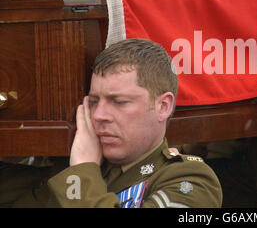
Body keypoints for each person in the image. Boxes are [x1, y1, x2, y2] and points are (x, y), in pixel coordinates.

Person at [10, 38, 222, 208]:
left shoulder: (191, 180)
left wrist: (83, 169)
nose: (99, 115)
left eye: (119, 102)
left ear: (163, 106)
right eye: (93, 102)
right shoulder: (64, 167)